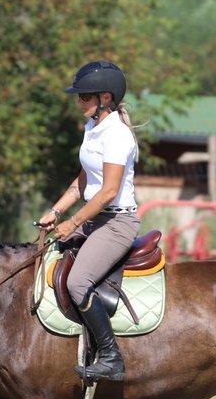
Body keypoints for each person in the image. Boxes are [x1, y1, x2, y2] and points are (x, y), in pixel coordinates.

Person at [37, 60, 140, 382]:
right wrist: (55, 212)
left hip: (116, 222)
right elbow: (84, 181)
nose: (79, 102)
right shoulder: (92, 129)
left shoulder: (118, 136)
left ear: (105, 98)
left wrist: (73, 221)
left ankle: (111, 357)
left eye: (84, 97)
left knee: (78, 282)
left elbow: (108, 191)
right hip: (94, 217)